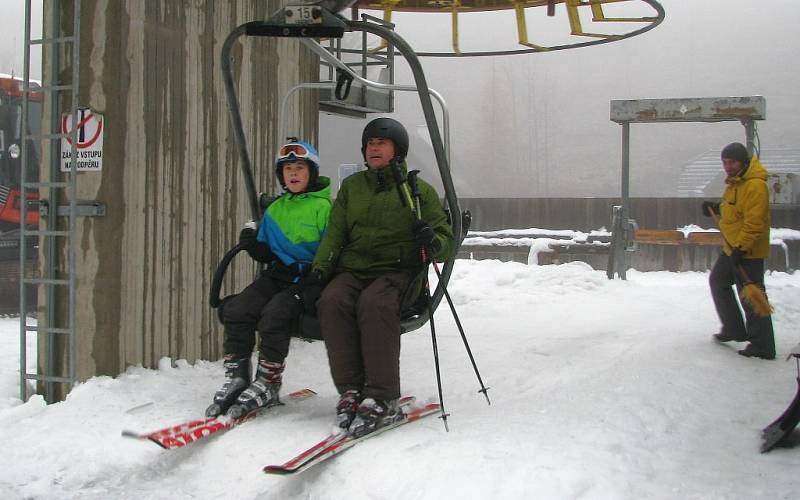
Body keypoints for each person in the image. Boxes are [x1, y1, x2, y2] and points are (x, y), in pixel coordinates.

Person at [310, 117, 455, 436]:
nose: (374, 148)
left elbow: (445, 239)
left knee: (374, 304)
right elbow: (336, 232)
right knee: (332, 300)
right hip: (356, 267)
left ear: (398, 151)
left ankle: (382, 396)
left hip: (397, 270)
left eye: (382, 143)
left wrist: (432, 241)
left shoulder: (417, 191)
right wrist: (320, 268)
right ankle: (351, 390)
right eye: (370, 143)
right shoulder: (353, 187)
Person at [207, 140, 332, 418]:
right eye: (288, 169)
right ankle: (237, 376)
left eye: (300, 167)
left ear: (311, 172)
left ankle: (269, 381)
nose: (294, 174)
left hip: (307, 279)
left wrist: (316, 280)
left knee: (275, 314)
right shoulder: (276, 209)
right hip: (277, 274)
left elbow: (331, 251)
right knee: (238, 309)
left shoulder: (325, 209)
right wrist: (253, 244)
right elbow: (266, 252)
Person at [702, 141, 775, 360]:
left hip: (747, 250)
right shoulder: (736, 184)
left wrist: (741, 249)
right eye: (724, 162)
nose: (728, 166)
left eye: (731, 161)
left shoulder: (755, 185)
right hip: (732, 247)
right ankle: (733, 328)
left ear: (742, 161)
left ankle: (763, 346)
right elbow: (733, 210)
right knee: (718, 281)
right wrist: (715, 208)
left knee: (752, 296)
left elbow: (754, 222)